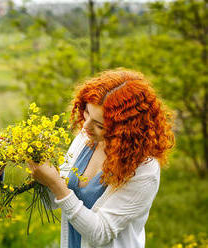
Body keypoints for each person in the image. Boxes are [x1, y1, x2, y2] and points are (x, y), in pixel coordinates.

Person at [29, 69, 174, 248]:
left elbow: (101, 234)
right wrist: (40, 170)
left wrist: (54, 184)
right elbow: (54, 202)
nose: (86, 126)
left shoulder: (144, 169)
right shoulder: (86, 139)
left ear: (125, 131)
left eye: (99, 125)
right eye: (87, 113)